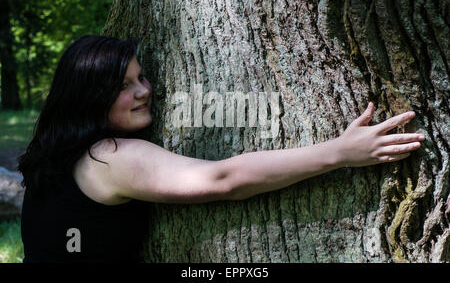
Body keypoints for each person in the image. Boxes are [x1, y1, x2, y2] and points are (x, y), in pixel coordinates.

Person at [19, 35, 425, 263]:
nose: (145, 91)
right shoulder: (109, 157)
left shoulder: (56, 157)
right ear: (91, 96)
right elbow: (223, 178)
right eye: (124, 85)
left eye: (140, 77)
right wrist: (340, 152)